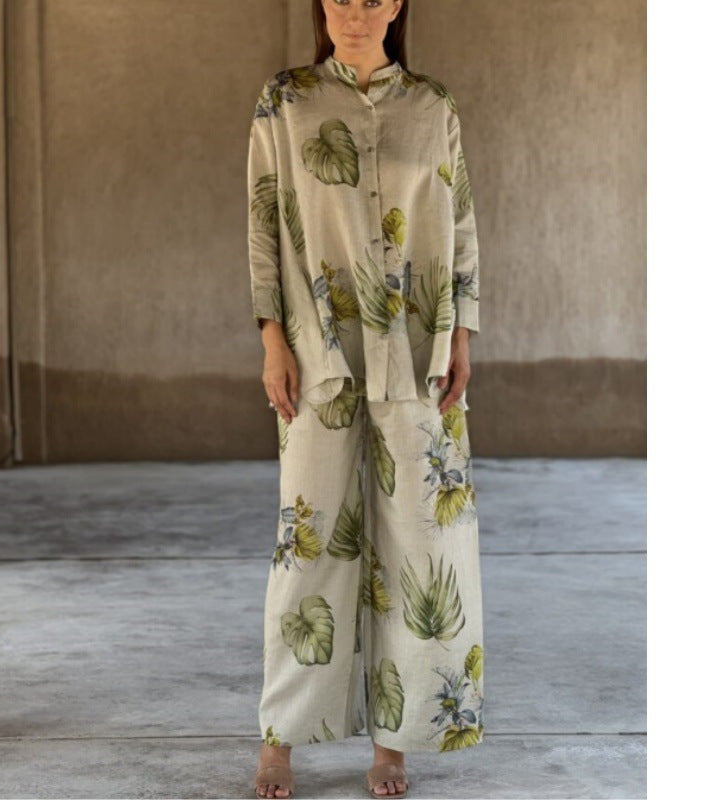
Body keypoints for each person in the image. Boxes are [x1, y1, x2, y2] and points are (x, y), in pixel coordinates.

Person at [247, 1, 484, 797]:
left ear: (397, 5)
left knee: (420, 546)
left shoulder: (434, 105)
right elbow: (262, 223)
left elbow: (461, 223)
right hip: (320, 349)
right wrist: (272, 339)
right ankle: (281, 737)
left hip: (418, 351)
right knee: (308, 542)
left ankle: (395, 740)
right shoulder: (285, 101)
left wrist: (462, 334)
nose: (355, 10)